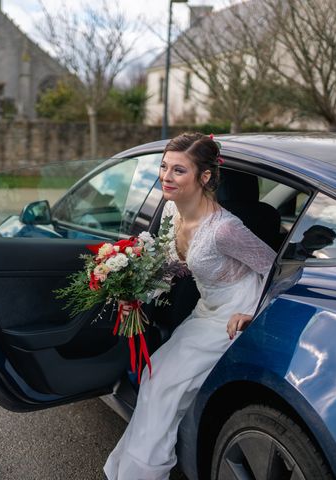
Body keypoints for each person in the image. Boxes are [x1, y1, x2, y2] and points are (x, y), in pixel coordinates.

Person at [104, 132, 276, 479]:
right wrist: (134, 290)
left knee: (165, 386)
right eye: (164, 167)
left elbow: (276, 269)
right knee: (155, 379)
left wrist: (253, 315)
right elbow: (174, 266)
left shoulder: (226, 229)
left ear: (205, 177)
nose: (166, 177)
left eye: (179, 170)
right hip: (206, 309)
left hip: (235, 312)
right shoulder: (171, 211)